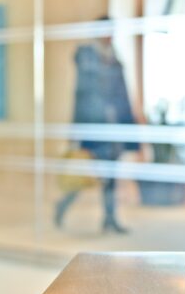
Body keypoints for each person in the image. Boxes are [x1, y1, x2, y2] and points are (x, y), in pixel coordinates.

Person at [55, 16, 139, 233]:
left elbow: (122, 95)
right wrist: (77, 131)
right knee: (85, 175)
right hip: (94, 128)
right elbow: (81, 96)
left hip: (114, 129)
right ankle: (63, 204)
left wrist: (129, 128)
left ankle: (110, 218)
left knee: (110, 176)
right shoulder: (88, 56)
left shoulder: (114, 58)